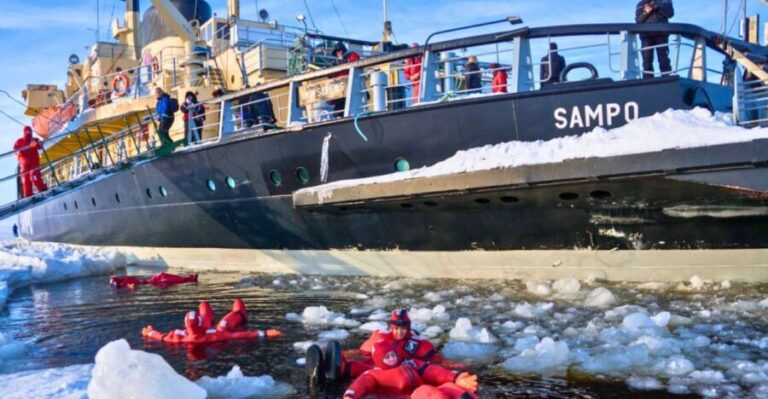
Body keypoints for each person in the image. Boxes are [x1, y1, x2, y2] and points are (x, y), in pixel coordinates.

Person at [306, 309, 450, 387]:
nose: (399, 332)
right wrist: (344, 354)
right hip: (373, 368)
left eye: (403, 328)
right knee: (352, 365)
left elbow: (438, 361)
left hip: (394, 373)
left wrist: (458, 367)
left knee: (363, 375)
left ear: (408, 328)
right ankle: (325, 371)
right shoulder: (380, 336)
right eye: (396, 328)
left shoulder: (420, 344)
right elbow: (361, 352)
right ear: (391, 327)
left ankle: (330, 377)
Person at [341, 337, 479, 399]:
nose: (392, 359)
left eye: (393, 354)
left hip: (423, 393)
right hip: (411, 396)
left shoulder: (409, 363)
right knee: (427, 392)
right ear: (378, 359)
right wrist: (350, 396)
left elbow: (432, 371)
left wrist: (455, 377)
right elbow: (360, 384)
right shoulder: (373, 374)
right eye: (387, 357)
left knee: (451, 387)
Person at [141, 309, 282, 344]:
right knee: (236, 310)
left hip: (198, 333)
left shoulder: (177, 337)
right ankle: (241, 314)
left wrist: (149, 332)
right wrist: (264, 333)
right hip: (216, 330)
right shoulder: (215, 335)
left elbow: (162, 337)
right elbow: (238, 335)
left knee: (204, 306)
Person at [635, 0, 675, 78]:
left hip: (661, 35)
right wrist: (646, 12)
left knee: (663, 59)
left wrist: (657, 5)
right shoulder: (641, 4)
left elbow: (670, 13)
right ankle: (647, 79)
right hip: (646, 36)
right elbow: (638, 21)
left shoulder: (665, 1)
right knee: (647, 60)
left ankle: (666, 78)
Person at [13, 126, 48, 198]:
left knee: (34, 176)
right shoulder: (19, 141)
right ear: (24, 132)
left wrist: (37, 143)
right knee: (26, 181)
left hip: (33, 164)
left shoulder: (34, 140)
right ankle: (28, 196)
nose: (28, 133)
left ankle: (43, 189)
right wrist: (18, 152)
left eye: (29, 132)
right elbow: (15, 149)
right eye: (26, 132)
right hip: (24, 165)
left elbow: (40, 145)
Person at [330, 42, 361, 116]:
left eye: (340, 50)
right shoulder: (334, 63)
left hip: (351, 86)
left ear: (344, 50)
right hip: (340, 89)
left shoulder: (352, 55)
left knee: (351, 105)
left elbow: (355, 64)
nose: (339, 52)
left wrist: (343, 61)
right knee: (338, 111)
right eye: (337, 51)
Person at [109, 272, 198, 290]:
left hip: (150, 280)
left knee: (162, 274)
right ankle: (190, 279)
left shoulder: (123, 280)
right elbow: (132, 287)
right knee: (167, 280)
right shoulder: (124, 283)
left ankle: (188, 277)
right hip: (153, 283)